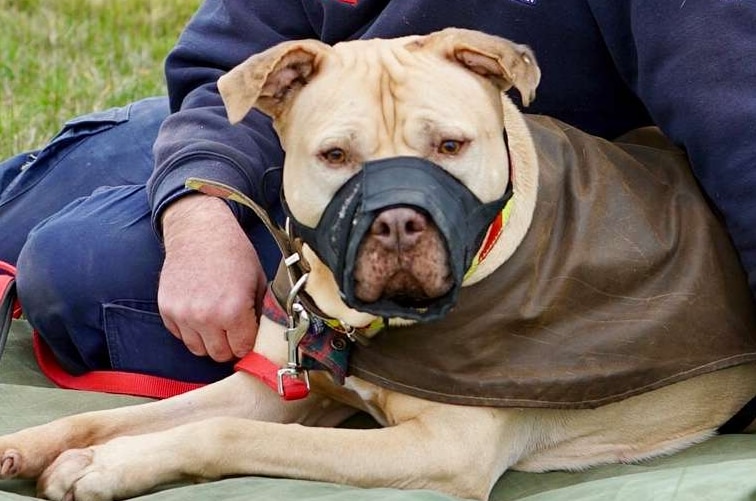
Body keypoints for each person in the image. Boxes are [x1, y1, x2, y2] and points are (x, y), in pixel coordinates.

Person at [1, 0, 754, 384]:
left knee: (75, 269)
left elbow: (739, 122)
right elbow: (220, 65)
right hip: (298, 132)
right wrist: (199, 206)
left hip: (465, 218)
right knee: (20, 211)